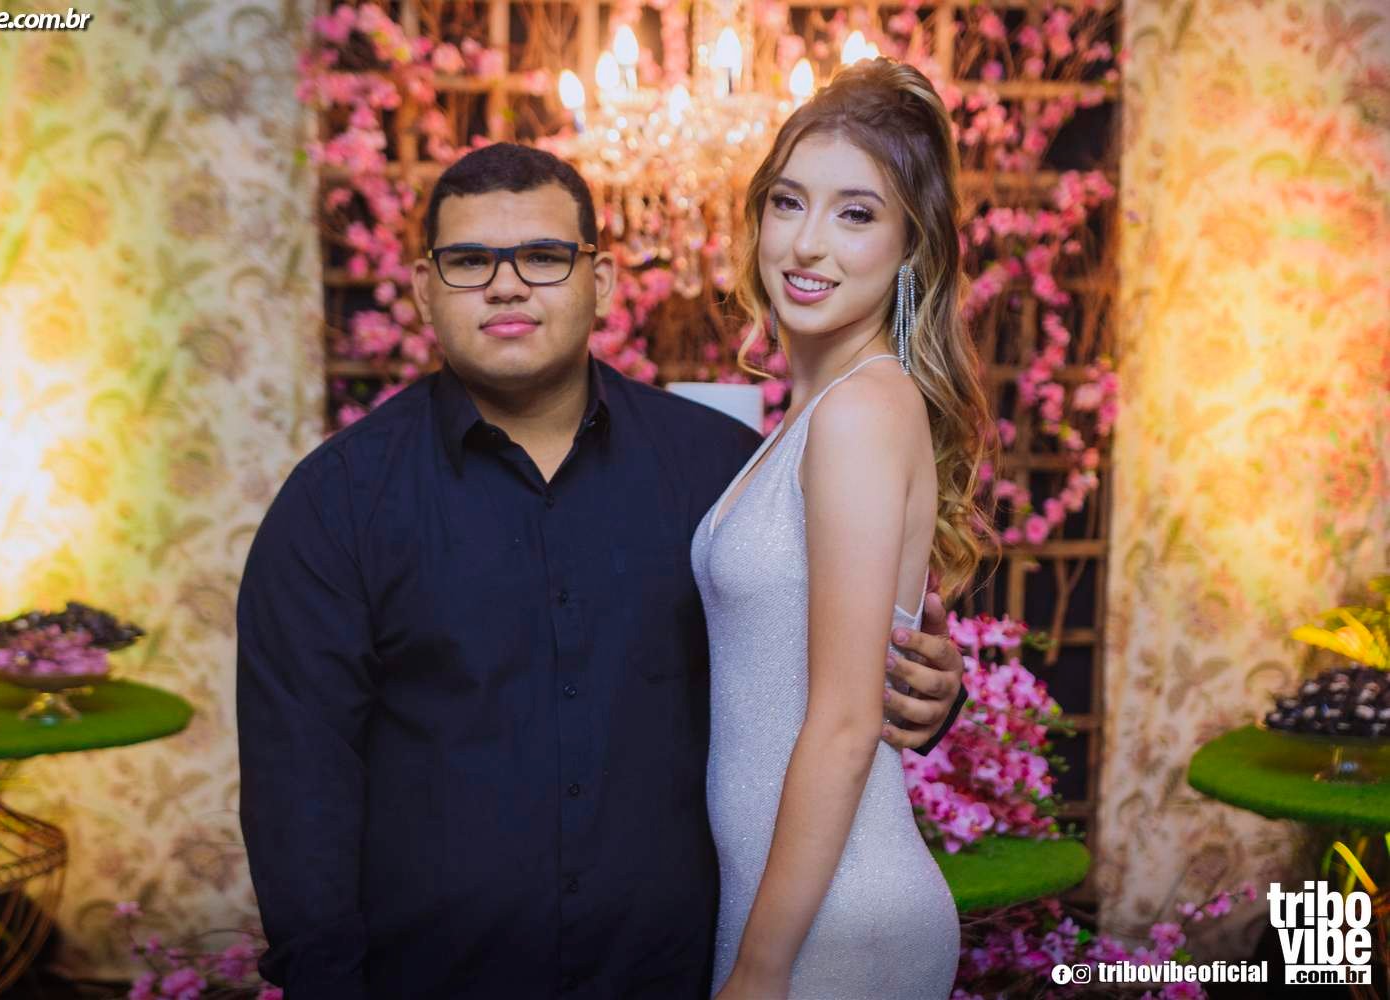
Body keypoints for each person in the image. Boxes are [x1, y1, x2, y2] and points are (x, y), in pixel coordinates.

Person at [236, 140, 970, 1000]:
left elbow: (803, 667)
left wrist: (926, 689)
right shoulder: (336, 505)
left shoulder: (718, 474)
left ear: (604, 280)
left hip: (679, 975)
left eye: (544, 256)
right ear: (424, 289)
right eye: (469, 262)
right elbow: (298, 791)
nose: (507, 286)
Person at [696, 59, 993, 1000]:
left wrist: (760, 968)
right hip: (789, 906)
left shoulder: (864, 409)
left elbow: (846, 718)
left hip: (833, 920)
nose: (807, 243)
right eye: (788, 203)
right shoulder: (816, 414)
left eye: (856, 214)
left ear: (912, 249)